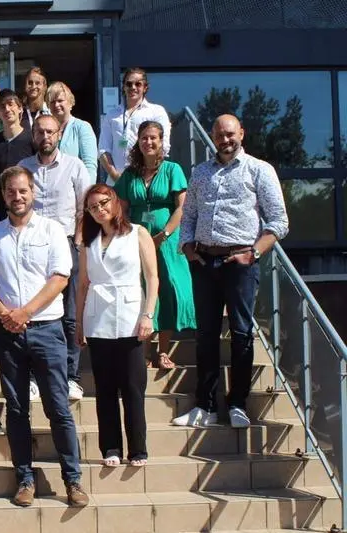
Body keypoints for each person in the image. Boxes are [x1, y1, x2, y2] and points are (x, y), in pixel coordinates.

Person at [0, 165, 88, 509]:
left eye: (23, 190)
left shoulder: (52, 230)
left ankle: (73, 480)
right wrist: (5, 314)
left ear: (33, 192)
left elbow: (60, 277)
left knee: (58, 408)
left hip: (47, 330)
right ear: (3, 195)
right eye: (11, 191)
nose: (17, 196)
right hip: (7, 334)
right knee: (17, 409)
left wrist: (25, 312)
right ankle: (24, 479)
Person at [173, 114, 289, 429]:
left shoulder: (259, 170)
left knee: (241, 333)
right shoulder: (200, 172)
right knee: (206, 335)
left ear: (241, 133)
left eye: (230, 134)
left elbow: (279, 221)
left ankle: (238, 403)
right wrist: (188, 248)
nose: (225, 140)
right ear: (212, 137)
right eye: (219, 135)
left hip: (240, 263)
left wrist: (254, 253)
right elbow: (189, 214)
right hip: (204, 262)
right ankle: (206, 407)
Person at [77, 184, 159, 468]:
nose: (99, 210)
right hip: (97, 318)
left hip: (130, 315)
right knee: (105, 388)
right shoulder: (89, 242)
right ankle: (110, 447)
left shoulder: (137, 233)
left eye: (103, 203)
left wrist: (148, 314)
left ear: (114, 202)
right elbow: (83, 285)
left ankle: (138, 449)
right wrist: (79, 323)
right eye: (93, 207)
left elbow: (152, 277)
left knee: (133, 386)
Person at [19, 114, 93, 401]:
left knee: (71, 314)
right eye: (40, 132)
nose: (45, 136)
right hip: (32, 245)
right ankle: (34, 378)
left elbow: (84, 207)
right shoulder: (24, 167)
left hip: (66, 243)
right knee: (33, 311)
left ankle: (71, 377)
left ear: (59, 134)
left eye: (50, 131)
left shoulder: (75, 166)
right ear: (34, 135)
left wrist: (78, 243)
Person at [114, 121, 196, 369]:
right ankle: (145, 352)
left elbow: (182, 207)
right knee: (142, 290)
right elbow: (121, 209)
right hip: (138, 240)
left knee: (168, 290)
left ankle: (163, 351)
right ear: (138, 141)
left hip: (167, 241)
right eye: (144, 138)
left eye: (153, 138)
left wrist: (164, 234)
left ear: (161, 141)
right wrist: (128, 235)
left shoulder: (172, 169)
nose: (148, 142)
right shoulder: (130, 174)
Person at [99, 68, 171, 185]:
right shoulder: (111, 115)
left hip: (146, 181)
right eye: (129, 84)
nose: (133, 87)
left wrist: (146, 177)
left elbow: (163, 146)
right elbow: (103, 149)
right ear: (123, 87)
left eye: (138, 84)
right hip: (116, 182)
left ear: (145, 87)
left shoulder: (156, 112)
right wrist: (116, 177)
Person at [0, 89, 35, 217]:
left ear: (20, 108)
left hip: (25, 206)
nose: (7, 109)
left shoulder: (32, 140)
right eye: (2, 106)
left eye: (11, 104)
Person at [46, 81, 98, 179]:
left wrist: (87, 188)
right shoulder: (46, 130)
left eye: (60, 100)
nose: (56, 105)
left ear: (70, 103)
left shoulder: (82, 127)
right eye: (52, 102)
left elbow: (90, 166)